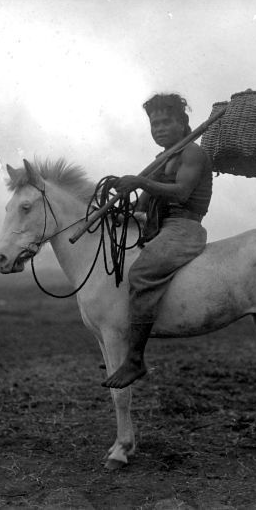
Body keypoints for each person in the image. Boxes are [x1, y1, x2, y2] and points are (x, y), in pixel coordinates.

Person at [102, 93, 213, 389]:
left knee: (141, 273)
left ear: (183, 122)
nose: (159, 129)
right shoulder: (161, 160)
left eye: (166, 122)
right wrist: (122, 203)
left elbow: (181, 193)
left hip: (184, 228)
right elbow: (142, 206)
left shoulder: (192, 153)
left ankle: (136, 360)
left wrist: (139, 181)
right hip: (160, 228)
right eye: (154, 124)